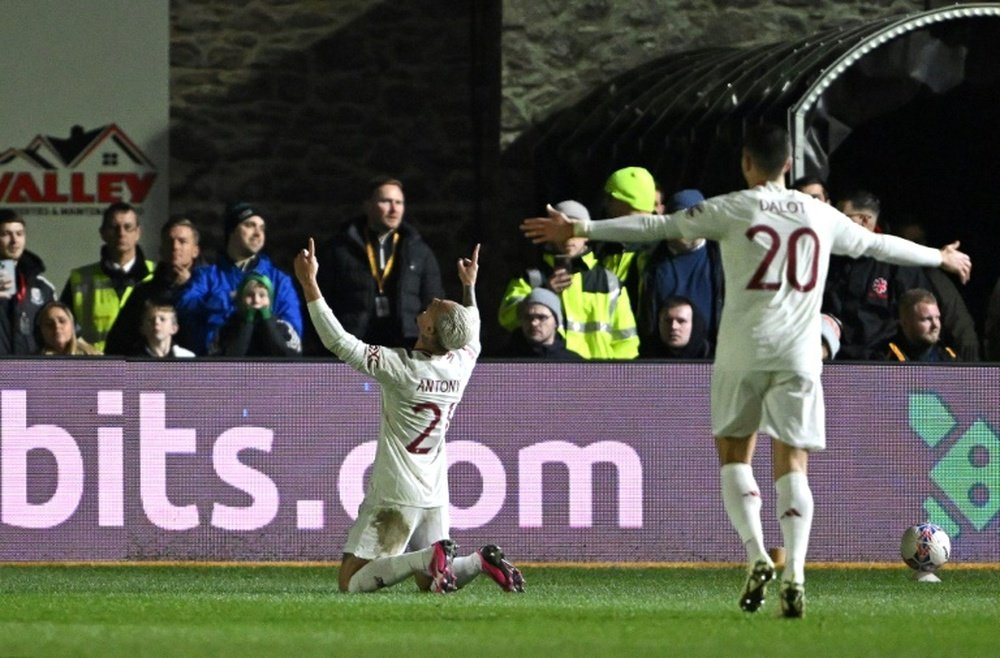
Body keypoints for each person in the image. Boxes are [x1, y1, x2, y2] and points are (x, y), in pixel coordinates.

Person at [521, 124, 971, 618]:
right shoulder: (819, 214)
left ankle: (758, 554)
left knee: (735, 457)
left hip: (742, 352)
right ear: (788, 166)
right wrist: (939, 257)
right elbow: (878, 247)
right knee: (792, 463)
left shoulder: (732, 206)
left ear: (747, 163)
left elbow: (655, 227)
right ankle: (795, 570)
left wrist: (580, 230)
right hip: (800, 353)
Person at [295, 239, 523, 595]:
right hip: (434, 488)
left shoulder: (401, 367)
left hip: (396, 491)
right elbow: (472, 329)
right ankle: (480, 561)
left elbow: (339, 341)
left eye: (436, 306)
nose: (432, 301)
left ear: (429, 330)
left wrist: (310, 283)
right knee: (428, 581)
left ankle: (425, 557)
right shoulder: (461, 363)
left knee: (351, 582)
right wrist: (469, 287)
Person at [824, 190, 979, 360]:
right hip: (833, 361)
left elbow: (922, 317)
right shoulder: (826, 259)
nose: (835, 224)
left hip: (884, 365)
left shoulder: (898, 263)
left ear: (864, 220)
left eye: (843, 217)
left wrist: (940, 257)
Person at [498, 200, 639, 359]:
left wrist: (612, 378)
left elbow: (627, 342)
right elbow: (506, 318)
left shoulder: (608, 282)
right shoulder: (532, 277)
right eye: (562, 232)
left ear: (587, 234)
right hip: (548, 373)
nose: (569, 237)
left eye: (575, 230)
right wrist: (544, 294)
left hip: (597, 378)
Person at [315, 177, 444, 350]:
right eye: (386, 201)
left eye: (399, 202)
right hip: (354, 344)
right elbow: (322, 298)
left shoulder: (419, 251)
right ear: (367, 205)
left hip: (406, 344)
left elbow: (433, 300)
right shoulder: (339, 249)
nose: (394, 209)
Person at [177, 202, 303, 355]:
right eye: (250, 225)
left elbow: (294, 335)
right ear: (231, 230)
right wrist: (231, 300)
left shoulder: (280, 281)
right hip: (220, 370)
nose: (258, 233)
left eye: (262, 228)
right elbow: (185, 315)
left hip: (270, 371)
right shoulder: (205, 277)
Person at [634, 189, 723, 352]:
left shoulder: (723, 258)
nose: (684, 227)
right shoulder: (646, 259)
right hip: (660, 360)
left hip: (714, 356)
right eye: (678, 220)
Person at [60, 202, 154, 352]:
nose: (121, 233)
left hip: (144, 368)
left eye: (128, 227)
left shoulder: (156, 275)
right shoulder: (80, 278)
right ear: (102, 233)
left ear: (138, 233)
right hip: (95, 368)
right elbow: (62, 328)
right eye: (114, 227)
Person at [105, 216, 203, 356]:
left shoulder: (211, 289)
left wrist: (190, 288)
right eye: (170, 241)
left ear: (195, 251)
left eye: (182, 242)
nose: (175, 247)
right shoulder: (144, 293)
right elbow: (117, 343)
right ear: (161, 250)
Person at [0, 209, 56, 355]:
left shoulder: (42, 287)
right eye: (6, 234)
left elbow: (59, 328)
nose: (14, 240)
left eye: (19, 234)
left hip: (28, 373)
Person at [210, 273, 302, 357]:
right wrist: (248, 321)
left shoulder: (284, 327)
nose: (256, 300)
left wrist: (266, 320)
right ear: (241, 300)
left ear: (270, 300)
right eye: (250, 295)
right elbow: (225, 361)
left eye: (262, 295)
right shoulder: (226, 329)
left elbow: (290, 357)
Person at [499, 287, 583, 360]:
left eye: (542, 317)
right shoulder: (502, 362)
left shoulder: (574, 364)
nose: (533, 323)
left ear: (556, 322)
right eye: (528, 317)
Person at [885, 289, 957, 362]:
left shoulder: (948, 357)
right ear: (905, 323)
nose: (935, 325)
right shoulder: (883, 357)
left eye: (937, 318)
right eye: (927, 319)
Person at [639, 296, 711, 359]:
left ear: (694, 325)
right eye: (668, 321)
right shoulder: (644, 360)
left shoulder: (711, 358)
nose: (674, 327)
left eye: (681, 321)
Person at [36, 301, 102, 355]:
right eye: (49, 324)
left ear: (73, 326)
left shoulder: (94, 357)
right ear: (40, 332)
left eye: (62, 321)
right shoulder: (33, 363)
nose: (57, 326)